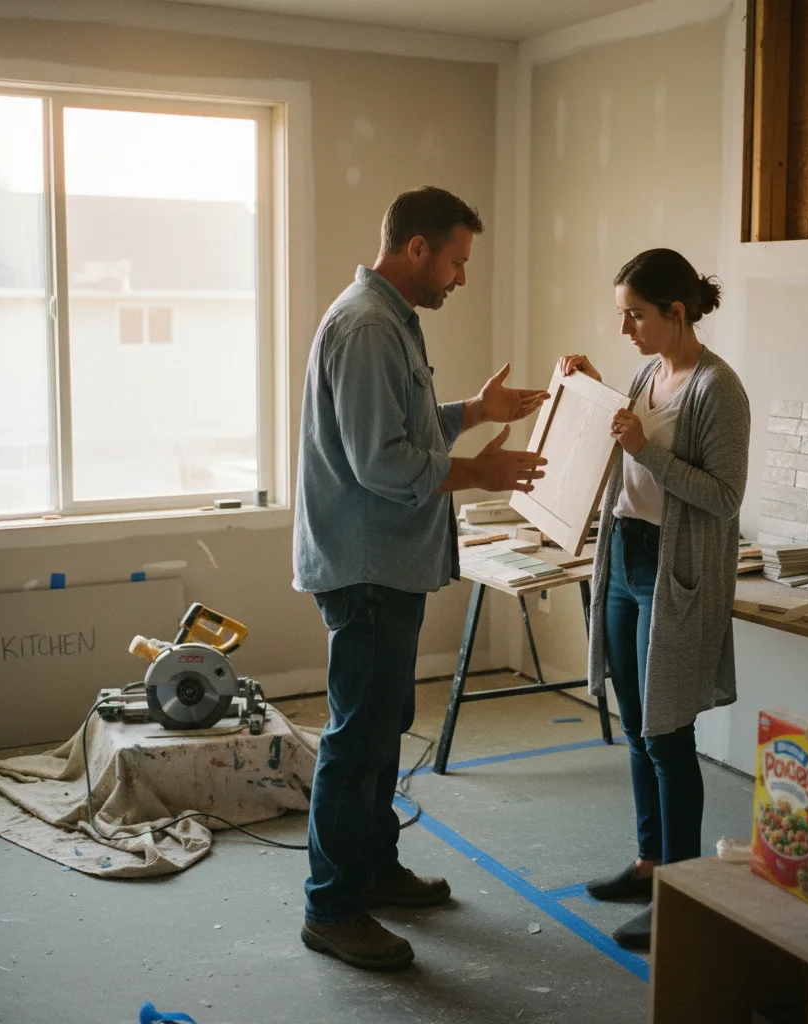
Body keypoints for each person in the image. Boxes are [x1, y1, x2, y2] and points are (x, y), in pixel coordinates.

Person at [293, 186, 549, 971]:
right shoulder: (369, 327)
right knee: (357, 738)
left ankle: (371, 867)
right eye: (456, 260)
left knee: (380, 725)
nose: (461, 278)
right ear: (416, 249)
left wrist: (472, 410)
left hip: (382, 564)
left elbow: (396, 427)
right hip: (368, 566)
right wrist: (478, 470)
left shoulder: (387, 318)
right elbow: (381, 463)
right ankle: (332, 907)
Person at [559, 248, 750, 951]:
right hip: (628, 558)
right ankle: (649, 863)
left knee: (669, 734)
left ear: (676, 312)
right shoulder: (648, 371)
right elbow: (632, 438)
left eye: (635, 315)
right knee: (638, 726)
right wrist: (594, 390)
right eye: (620, 315)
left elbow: (724, 499)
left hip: (675, 574)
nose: (625, 328)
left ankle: (682, 889)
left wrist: (645, 451)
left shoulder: (717, 389)